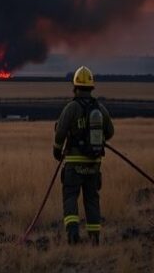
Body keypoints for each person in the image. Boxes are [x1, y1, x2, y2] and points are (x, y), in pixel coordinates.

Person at [53, 66, 114, 245]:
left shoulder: (71, 108)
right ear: (91, 88)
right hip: (94, 163)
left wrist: (57, 150)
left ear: (75, 87)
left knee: (71, 196)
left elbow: (60, 132)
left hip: (73, 163)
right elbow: (110, 131)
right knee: (92, 199)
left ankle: (73, 236)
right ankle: (94, 238)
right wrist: (98, 139)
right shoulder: (100, 108)